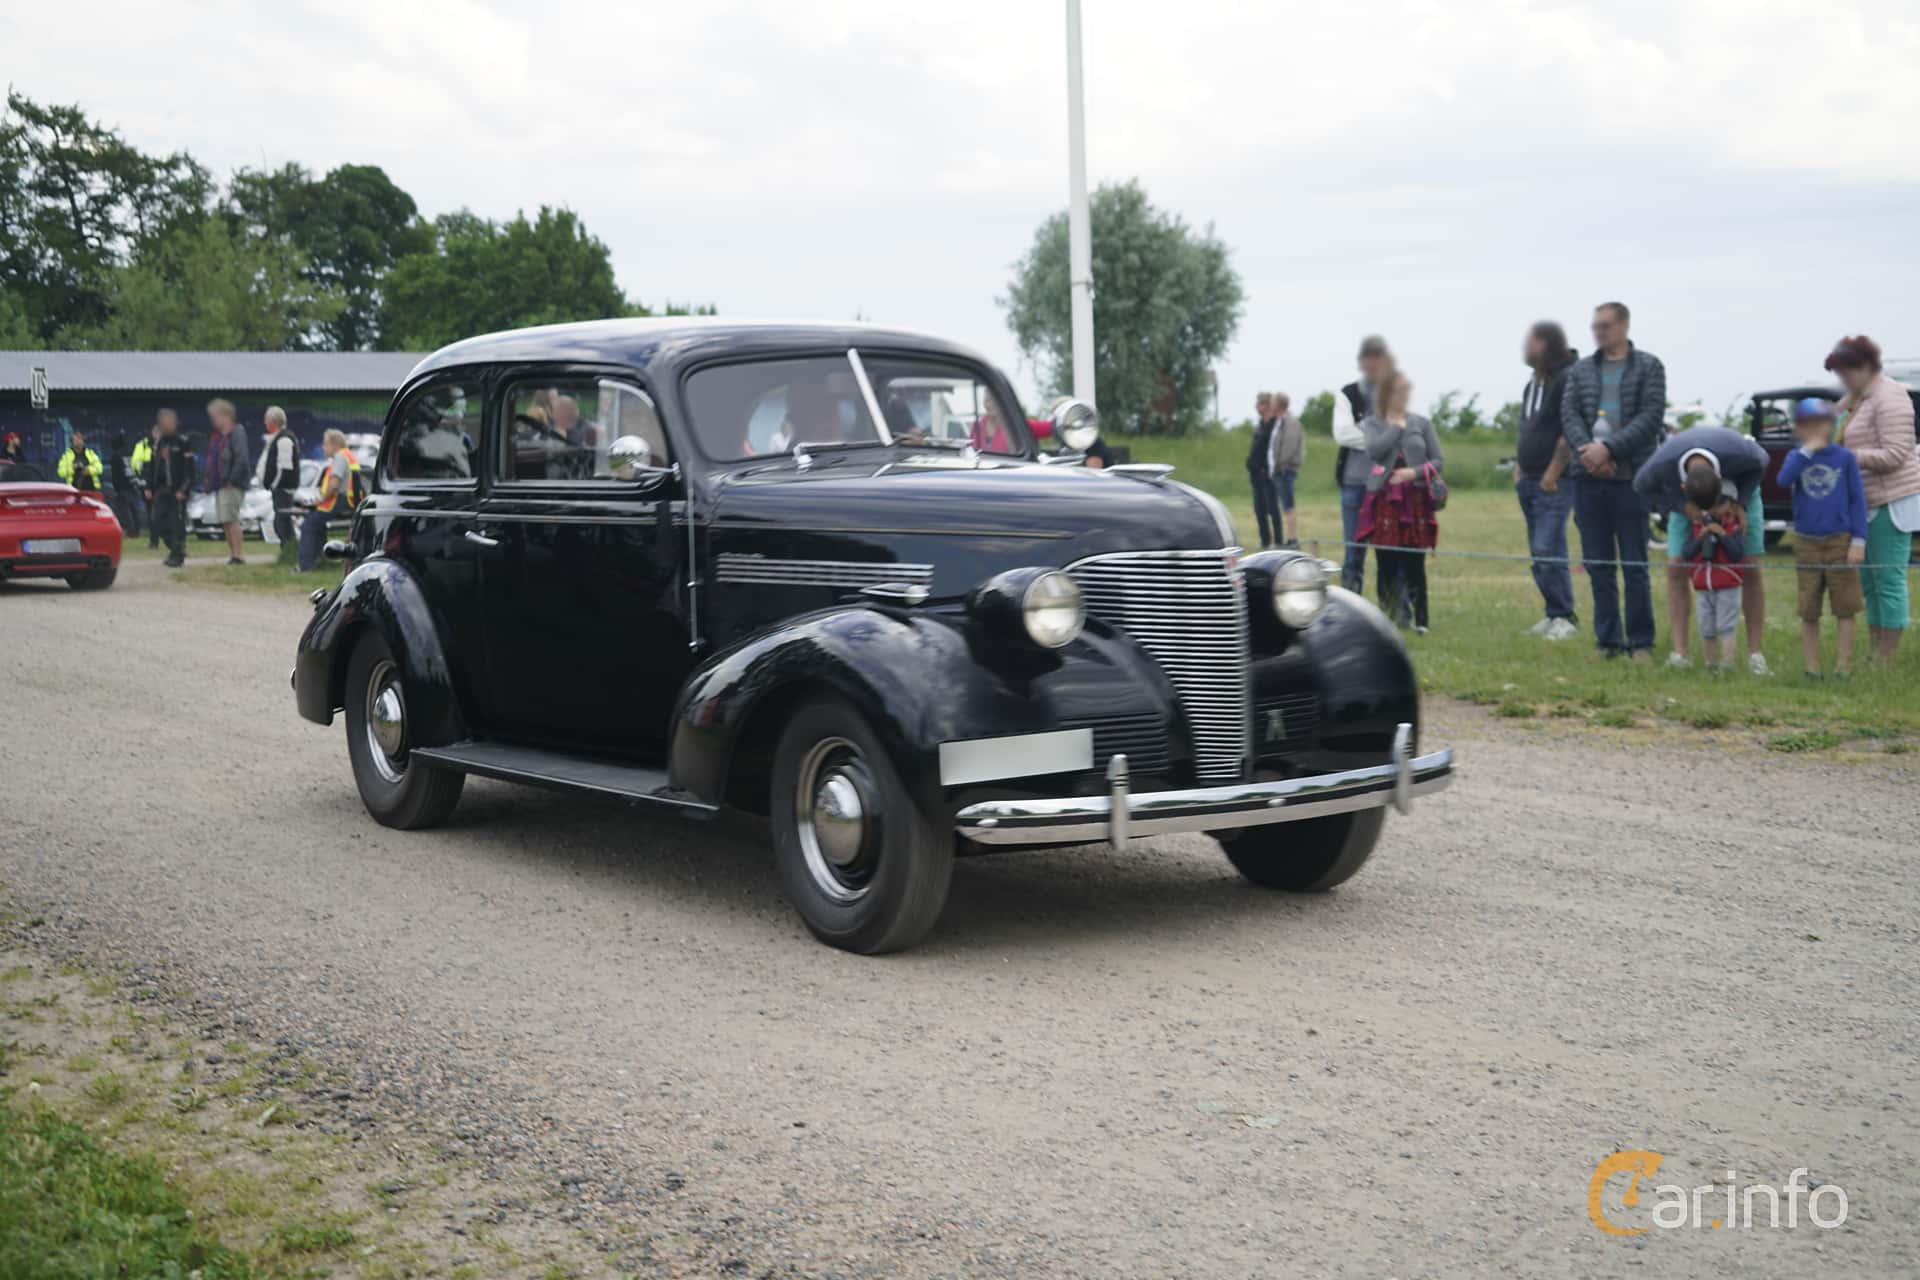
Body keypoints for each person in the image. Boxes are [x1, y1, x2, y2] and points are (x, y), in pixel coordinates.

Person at [1561, 302, 1664, 659]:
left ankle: (1640, 642)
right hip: (1587, 478)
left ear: (1623, 326)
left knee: (1635, 564)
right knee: (1598, 564)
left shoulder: (1650, 367)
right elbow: (1569, 414)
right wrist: (1589, 454)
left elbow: (1650, 417)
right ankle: (1607, 640)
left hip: (1632, 478)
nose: (1599, 332)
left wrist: (1609, 449)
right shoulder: (1580, 370)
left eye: (1605, 326)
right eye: (1595, 326)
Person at [1631, 424, 1771, 673]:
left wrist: (1740, 501)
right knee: (1675, 567)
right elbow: (1640, 485)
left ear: (1720, 476)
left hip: (1739, 492)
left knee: (1750, 566)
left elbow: (1763, 461)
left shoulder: (1739, 452)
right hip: (1685, 502)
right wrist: (1681, 507)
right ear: (1682, 485)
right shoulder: (1663, 463)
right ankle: (1680, 654)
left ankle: (1754, 655)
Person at [1826, 335, 1920, 663]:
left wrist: (1849, 456)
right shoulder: (1856, 398)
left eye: (1845, 372)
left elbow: (1896, 453)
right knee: (1870, 582)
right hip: (1865, 501)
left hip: (1891, 500)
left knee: (1888, 580)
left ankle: (1886, 659)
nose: (1842, 379)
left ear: (1865, 366)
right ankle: (1875, 651)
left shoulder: (1890, 397)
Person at [1777, 398, 1867, 678]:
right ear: (1799, 428)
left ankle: (1843, 667)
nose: (1815, 430)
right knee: (1809, 609)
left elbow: (1857, 500)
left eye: (1821, 423)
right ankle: (1812, 667)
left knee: (1845, 607)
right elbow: (1783, 480)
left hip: (1840, 540)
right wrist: (1806, 452)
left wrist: (1858, 539)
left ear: (1831, 425)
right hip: (1807, 542)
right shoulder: (1797, 457)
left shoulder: (1845, 458)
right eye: (1807, 424)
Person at [1355, 372, 1442, 632]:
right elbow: (1374, 451)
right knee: (1386, 564)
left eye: (1405, 390)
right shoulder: (1373, 423)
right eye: (1396, 391)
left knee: (1415, 563)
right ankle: (1387, 621)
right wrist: (1396, 428)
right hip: (1385, 501)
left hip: (1415, 500)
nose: (1402, 395)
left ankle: (1422, 622)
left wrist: (1412, 473)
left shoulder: (1422, 423)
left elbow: (1438, 461)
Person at [1514, 322, 1578, 640]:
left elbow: (1569, 430)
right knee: (1539, 553)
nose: (1524, 348)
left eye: (1529, 341)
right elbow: (1526, 428)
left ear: (1544, 344)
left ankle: (1565, 616)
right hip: (1528, 479)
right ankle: (1553, 612)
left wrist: (1553, 473)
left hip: (1554, 481)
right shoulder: (1531, 385)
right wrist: (1519, 467)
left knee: (1547, 547)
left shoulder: (1566, 379)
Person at [1332, 336, 1394, 592]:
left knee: (1390, 554)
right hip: (1354, 484)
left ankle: (1394, 609)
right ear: (1362, 361)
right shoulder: (1347, 394)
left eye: (1378, 357)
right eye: (1369, 357)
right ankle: (1351, 606)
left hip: (1389, 485)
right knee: (1353, 553)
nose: (1373, 362)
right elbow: (1342, 434)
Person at [1678, 475, 1748, 672]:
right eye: (1710, 505)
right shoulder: (1698, 525)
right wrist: (1701, 538)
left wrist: (1722, 535)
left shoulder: (1734, 527)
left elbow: (1736, 554)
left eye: (1720, 505)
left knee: (1726, 625)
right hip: (1702, 584)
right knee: (1706, 627)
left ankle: (1727, 664)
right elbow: (1686, 553)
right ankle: (1710, 664)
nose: (1714, 510)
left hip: (1728, 583)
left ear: (1731, 505)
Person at [297, 429, 361, 572]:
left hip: (341, 502)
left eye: (325, 444)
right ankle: (321, 559)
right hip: (351, 502)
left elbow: (333, 485)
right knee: (316, 522)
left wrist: (319, 500)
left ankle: (305, 565)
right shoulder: (349, 456)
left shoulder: (339, 457)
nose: (323, 447)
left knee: (309, 524)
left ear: (334, 444)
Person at [204, 398, 251, 565]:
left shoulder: (237, 432)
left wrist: (232, 479)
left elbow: (241, 458)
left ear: (225, 415)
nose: (213, 420)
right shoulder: (219, 436)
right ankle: (233, 554)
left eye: (215, 416)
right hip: (220, 485)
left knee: (232, 519)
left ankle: (238, 555)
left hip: (231, 485)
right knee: (225, 520)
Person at [145, 410, 193, 567]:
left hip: (177, 489)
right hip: (161, 488)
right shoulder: (158, 443)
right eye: (162, 422)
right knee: (157, 520)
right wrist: (149, 486)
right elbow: (152, 465)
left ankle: (177, 555)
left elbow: (189, 469)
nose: (165, 425)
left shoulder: (183, 441)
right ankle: (176, 549)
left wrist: (183, 489)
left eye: (168, 421)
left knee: (176, 523)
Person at [257, 405, 300, 561]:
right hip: (279, 489)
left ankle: (291, 552)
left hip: (283, 489)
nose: (265, 423)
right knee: (281, 521)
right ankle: (288, 552)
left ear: (273, 421)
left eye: (266, 420)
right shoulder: (277, 438)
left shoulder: (284, 439)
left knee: (283, 522)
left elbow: (285, 468)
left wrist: (275, 485)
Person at [1267, 392, 1304, 547]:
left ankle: (1292, 539)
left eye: (1272, 402)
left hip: (1285, 470)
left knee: (1288, 506)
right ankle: (1289, 539)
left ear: (1278, 404)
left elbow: (1289, 447)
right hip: (1279, 471)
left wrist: (1278, 466)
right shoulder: (1279, 422)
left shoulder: (1290, 423)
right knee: (1285, 506)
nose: (1270, 405)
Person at [1246, 392, 1282, 548]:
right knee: (1259, 509)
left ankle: (1278, 541)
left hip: (1268, 474)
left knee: (1272, 508)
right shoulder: (1260, 425)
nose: (1256, 406)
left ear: (1267, 405)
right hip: (1255, 474)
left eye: (1259, 403)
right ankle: (1265, 540)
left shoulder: (1275, 426)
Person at [139, 413, 174, 549]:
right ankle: (154, 542)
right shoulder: (149, 448)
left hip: (169, 486)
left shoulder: (170, 446)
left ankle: (174, 543)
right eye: (156, 433)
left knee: (169, 516)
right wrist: (148, 487)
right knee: (155, 516)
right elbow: (151, 469)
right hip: (157, 487)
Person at [107, 431, 144, 537]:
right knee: (134, 508)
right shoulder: (131, 452)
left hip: (122, 485)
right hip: (133, 483)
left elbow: (115, 474)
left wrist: (116, 487)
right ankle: (137, 529)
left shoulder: (115, 456)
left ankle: (131, 531)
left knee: (125, 509)